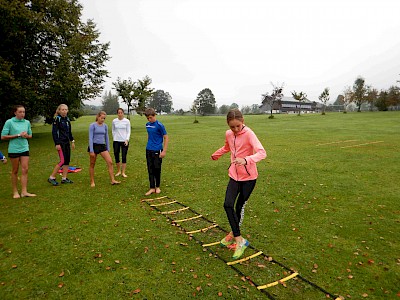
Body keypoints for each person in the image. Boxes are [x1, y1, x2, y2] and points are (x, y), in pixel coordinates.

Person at [211, 109, 266, 259]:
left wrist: (246, 160)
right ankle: (238, 238)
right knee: (227, 204)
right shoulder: (229, 134)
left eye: (238, 126)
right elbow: (227, 147)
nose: (235, 130)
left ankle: (235, 237)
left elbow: (262, 152)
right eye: (232, 127)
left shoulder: (249, 133)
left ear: (243, 121)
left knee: (238, 207)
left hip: (249, 178)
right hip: (234, 175)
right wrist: (217, 154)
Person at [1, 105, 36, 198]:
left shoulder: (27, 122)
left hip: (24, 148)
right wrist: (17, 135)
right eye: (20, 112)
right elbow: (3, 136)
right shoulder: (9, 122)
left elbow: (30, 135)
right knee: (15, 170)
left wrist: (26, 136)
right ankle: (15, 192)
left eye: (23, 112)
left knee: (25, 169)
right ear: (15, 112)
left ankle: (24, 192)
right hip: (14, 149)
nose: (22, 114)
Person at [88, 111, 120, 187]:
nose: (102, 120)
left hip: (102, 146)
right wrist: (91, 150)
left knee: (110, 162)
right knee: (92, 164)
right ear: (98, 117)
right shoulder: (92, 125)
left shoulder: (105, 126)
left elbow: (106, 137)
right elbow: (90, 138)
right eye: (101, 118)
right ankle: (92, 181)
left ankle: (112, 180)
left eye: (104, 118)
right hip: (94, 146)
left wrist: (108, 148)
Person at [48, 104, 75, 186]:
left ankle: (64, 178)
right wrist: (57, 143)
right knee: (62, 161)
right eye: (62, 110)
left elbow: (69, 132)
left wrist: (72, 141)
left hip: (67, 143)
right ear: (59, 111)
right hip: (61, 143)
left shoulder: (67, 120)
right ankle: (51, 177)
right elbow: (54, 132)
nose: (64, 111)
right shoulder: (57, 119)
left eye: (66, 109)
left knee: (67, 160)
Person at [144, 108, 168, 196]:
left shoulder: (159, 125)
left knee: (157, 169)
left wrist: (164, 151)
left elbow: (166, 137)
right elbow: (149, 136)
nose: (149, 120)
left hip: (157, 150)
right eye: (148, 118)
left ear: (154, 115)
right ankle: (152, 188)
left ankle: (157, 186)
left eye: (150, 117)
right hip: (148, 149)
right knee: (150, 169)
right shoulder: (147, 125)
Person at [112, 108, 131, 178]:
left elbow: (128, 131)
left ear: (123, 113)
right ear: (117, 114)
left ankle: (123, 172)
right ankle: (118, 171)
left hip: (124, 141)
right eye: (118, 113)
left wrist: (127, 139)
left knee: (124, 156)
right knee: (116, 156)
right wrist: (114, 138)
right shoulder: (114, 121)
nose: (120, 114)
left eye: (121, 113)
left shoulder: (127, 121)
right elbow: (113, 130)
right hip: (116, 141)